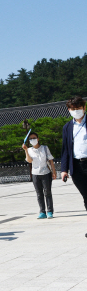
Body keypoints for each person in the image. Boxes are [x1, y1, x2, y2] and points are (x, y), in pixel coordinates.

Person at [61, 96, 87, 235]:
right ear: (69, 110)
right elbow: (65, 149)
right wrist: (64, 169)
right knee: (86, 196)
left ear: (84, 108)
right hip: (76, 166)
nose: (76, 111)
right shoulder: (67, 127)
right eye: (73, 109)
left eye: (78, 108)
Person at [23, 132, 56, 219]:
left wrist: (54, 172)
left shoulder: (44, 148)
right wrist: (26, 150)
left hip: (46, 173)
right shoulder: (29, 150)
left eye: (34, 138)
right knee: (39, 194)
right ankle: (42, 212)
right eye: (30, 139)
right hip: (35, 174)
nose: (32, 140)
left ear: (38, 139)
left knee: (47, 192)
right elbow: (29, 161)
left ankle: (49, 211)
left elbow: (50, 160)